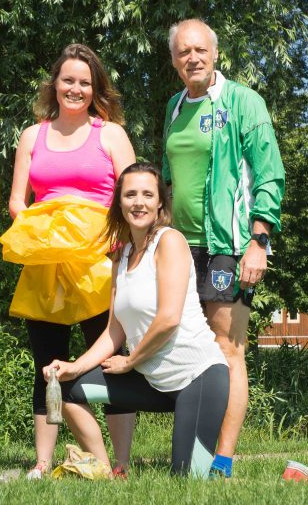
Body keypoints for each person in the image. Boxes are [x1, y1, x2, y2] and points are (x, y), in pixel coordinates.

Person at [44, 162, 229, 478]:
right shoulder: (122, 255)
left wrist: (130, 362)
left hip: (198, 379)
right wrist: (74, 366)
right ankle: (107, 472)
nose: (138, 202)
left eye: (147, 194)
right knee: (70, 388)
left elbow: (168, 319)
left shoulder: (170, 242)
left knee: (187, 481)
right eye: (130, 194)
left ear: (160, 202)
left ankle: (203, 469)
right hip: (152, 382)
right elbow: (115, 329)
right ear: (119, 202)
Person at [162, 19, 285, 478]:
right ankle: (191, 451)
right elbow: (167, 184)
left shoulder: (243, 102)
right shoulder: (173, 107)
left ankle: (222, 461)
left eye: (199, 49)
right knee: (185, 344)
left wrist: (259, 241)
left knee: (226, 347)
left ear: (215, 54)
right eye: (182, 52)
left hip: (230, 244)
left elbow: (269, 171)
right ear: (174, 61)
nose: (191, 57)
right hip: (180, 246)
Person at [9, 43, 136, 478]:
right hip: (45, 266)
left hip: (100, 265)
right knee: (46, 363)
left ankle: (119, 463)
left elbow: (133, 195)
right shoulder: (32, 135)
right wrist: (44, 237)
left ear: (95, 88)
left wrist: (112, 243)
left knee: (108, 361)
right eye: (68, 80)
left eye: (85, 82)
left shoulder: (112, 134)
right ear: (54, 84)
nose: (76, 89)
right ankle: (42, 462)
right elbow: (16, 203)